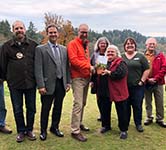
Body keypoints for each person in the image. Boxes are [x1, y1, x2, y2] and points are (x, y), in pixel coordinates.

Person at [0, 20, 38, 142]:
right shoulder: (6, 47)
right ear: (13, 31)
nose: (19, 30)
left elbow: (37, 64)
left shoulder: (33, 45)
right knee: (17, 109)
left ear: (25, 30)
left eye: (21, 28)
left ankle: (30, 130)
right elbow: (2, 65)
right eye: (16, 28)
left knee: (31, 108)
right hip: (14, 85)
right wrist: (5, 79)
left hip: (30, 83)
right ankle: (21, 131)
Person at [35, 24, 70, 141]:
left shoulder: (64, 49)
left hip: (61, 83)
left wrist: (68, 82)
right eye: (51, 32)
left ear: (58, 34)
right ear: (47, 34)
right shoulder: (40, 49)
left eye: (55, 32)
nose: (53, 34)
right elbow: (38, 68)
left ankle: (54, 127)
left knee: (58, 107)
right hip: (47, 85)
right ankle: (43, 131)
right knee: (46, 109)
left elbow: (66, 67)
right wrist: (40, 85)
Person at [67, 23, 94, 142]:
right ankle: (75, 130)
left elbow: (85, 59)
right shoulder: (72, 44)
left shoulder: (86, 45)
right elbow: (74, 61)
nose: (84, 34)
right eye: (82, 32)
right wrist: (89, 66)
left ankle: (79, 123)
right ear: (78, 32)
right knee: (78, 103)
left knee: (83, 102)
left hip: (86, 77)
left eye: (86, 32)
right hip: (77, 78)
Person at [122, 37, 150, 132]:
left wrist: (142, 81)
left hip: (138, 87)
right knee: (126, 105)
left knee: (137, 105)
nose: (130, 45)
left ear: (135, 45)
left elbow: (147, 69)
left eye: (132, 43)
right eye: (127, 44)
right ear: (125, 46)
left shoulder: (141, 56)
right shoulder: (121, 57)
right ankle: (126, 123)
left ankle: (138, 124)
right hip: (124, 87)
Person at [102, 44, 129, 139]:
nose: (109, 53)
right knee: (105, 110)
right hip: (106, 91)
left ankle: (123, 130)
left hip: (119, 91)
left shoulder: (121, 63)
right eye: (108, 52)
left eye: (112, 52)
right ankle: (106, 126)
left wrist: (109, 72)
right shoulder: (103, 62)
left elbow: (120, 74)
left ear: (117, 53)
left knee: (121, 111)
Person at [144, 37, 166, 127]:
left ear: (155, 45)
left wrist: (156, 78)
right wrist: (147, 79)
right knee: (148, 101)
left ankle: (160, 119)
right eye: (150, 44)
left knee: (159, 101)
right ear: (146, 45)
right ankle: (149, 117)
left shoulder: (160, 55)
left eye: (153, 44)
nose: (152, 45)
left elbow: (164, 68)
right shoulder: (143, 56)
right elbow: (140, 69)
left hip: (158, 82)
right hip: (147, 82)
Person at [90, 37, 110, 122]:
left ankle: (106, 115)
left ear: (107, 44)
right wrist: (91, 80)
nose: (103, 44)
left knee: (107, 98)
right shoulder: (95, 54)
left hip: (107, 79)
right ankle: (101, 113)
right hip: (97, 79)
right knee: (99, 98)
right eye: (101, 43)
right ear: (98, 44)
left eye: (104, 43)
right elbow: (90, 66)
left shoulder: (109, 53)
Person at [0, 45, 12, 134]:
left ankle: (1, 124)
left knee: (1, 106)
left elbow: (3, 63)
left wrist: (2, 77)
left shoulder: (1, 48)